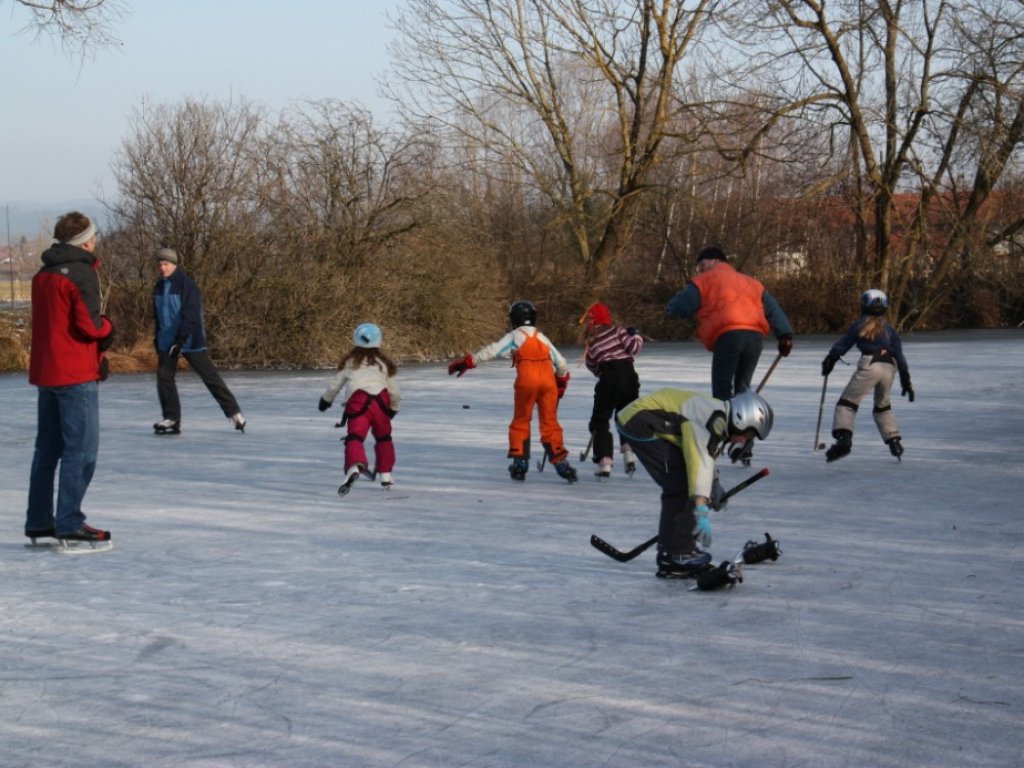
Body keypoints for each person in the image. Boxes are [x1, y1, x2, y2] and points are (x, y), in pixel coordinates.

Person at [25, 211, 115, 546]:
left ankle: (38, 520)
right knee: (82, 449)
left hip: (47, 372)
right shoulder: (80, 274)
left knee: (47, 449)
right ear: (87, 241)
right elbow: (89, 326)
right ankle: (69, 521)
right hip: (74, 374)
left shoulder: (42, 274)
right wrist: (109, 327)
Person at [616, 388, 774, 578]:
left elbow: (706, 456)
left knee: (686, 485)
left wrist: (713, 486)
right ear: (741, 419)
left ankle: (673, 549)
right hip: (640, 422)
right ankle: (679, 552)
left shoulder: (718, 418)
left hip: (647, 420)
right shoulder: (710, 421)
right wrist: (701, 507)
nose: (744, 440)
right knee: (682, 487)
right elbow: (699, 462)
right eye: (748, 434)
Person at [666, 245, 792, 464]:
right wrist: (785, 335)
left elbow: (682, 306)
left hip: (728, 336)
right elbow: (772, 308)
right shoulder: (751, 282)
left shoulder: (705, 280)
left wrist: (671, 307)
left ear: (713, 261)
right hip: (754, 338)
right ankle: (745, 440)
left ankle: (725, 435)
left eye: (701, 264)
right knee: (743, 390)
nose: (700, 269)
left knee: (722, 391)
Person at [448, 300, 578, 483]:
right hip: (548, 384)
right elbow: (561, 363)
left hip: (526, 383)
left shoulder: (515, 336)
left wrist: (468, 362)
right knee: (550, 422)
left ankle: (520, 463)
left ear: (514, 319)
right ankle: (561, 463)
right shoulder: (542, 337)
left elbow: (492, 350)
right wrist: (561, 381)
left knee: (521, 420)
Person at [151, 248, 246, 435]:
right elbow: (158, 315)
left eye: (166, 264)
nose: (163, 268)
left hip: (189, 339)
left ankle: (234, 413)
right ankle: (171, 418)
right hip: (166, 341)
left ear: (174, 265)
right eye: (160, 264)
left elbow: (190, 315)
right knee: (164, 378)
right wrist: (158, 337)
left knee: (209, 376)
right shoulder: (158, 287)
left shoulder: (187, 285)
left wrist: (180, 340)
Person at [821, 288, 913, 462]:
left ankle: (844, 439)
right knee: (882, 405)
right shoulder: (890, 329)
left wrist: (830, 359)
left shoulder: (860, 324)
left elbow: (843, 344)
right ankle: (894, 441)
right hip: (889, 366)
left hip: (870, 364)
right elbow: (899, 355)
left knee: (847, 403)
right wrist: (905, 379)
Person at [319, 322, 402, 495]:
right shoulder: (383, 364)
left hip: (358, 402)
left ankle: (355, 466)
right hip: (380, 402)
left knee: (355, 437)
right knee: (384, 438)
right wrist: (394, 408)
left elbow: (336, 384)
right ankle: (385, 474)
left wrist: (326, 400)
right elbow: (394, 391)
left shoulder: (351, 363)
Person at [580, 302, 643, 479]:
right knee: (626, 415)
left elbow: (592, 366)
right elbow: (634, 348)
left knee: (600, 421)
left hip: (608, 378)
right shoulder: (618, 331)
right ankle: (629, 452)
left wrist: (602, 369)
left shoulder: (591, 343)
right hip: (628, 376)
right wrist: (636, 335)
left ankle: (605, 461)